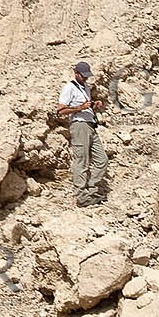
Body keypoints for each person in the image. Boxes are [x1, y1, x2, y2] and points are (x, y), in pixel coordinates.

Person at [57, 60, 107, 207]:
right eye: (83, 76)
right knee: (82, 161)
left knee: (102, 160)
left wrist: (93, 105)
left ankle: (92, 190)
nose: (85, 78)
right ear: (76, 73)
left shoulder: (85, 87)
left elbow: (86, 107)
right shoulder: (69, 88)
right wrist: (79, 108)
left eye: (87, 76)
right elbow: (60, 111)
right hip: (79, 126)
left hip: (90, 126)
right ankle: (82, 196)